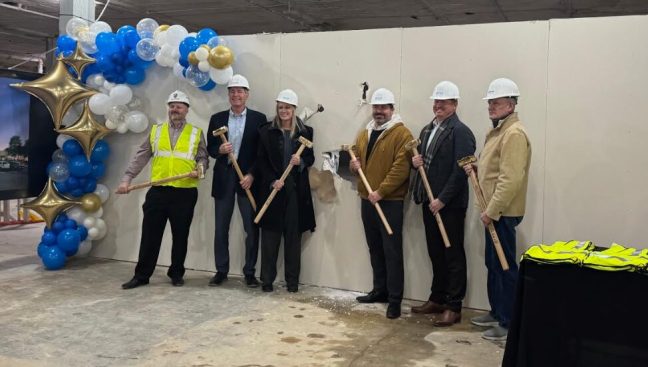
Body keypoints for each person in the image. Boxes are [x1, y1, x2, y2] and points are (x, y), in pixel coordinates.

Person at [118, 90, 209, 289]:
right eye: (172, 105)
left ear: (186, 110)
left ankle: (176, 273)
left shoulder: (196, 133)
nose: (174, 109)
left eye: (179, 105)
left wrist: (199, 170)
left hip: (185, 192)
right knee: (150, 235)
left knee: (180, 235)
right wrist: (127, 179)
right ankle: (142, 275)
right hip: (158, 191)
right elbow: (141, 156)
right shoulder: (156, 131)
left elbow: (203, 158)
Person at [463, 78, 531, 341]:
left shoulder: (514, 134)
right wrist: (478, 170)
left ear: (511, 104)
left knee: (504, 266)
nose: (491, 106)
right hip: (492, 210)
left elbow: (511, 179)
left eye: (496, 102)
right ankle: (497, 311)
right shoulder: (497, 132)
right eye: (490, 102)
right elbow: (496, 170)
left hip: (501, 212)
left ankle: (508, 321)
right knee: (493, 262)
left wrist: (493, 210)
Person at [410, 81, 476, 326]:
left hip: (449, 205)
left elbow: (461, 172)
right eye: (436, 102)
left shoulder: (461, 132)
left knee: (453, 254)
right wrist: (414, 161)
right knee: (435, 252)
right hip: (429, 202)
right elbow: (421, 162)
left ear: (455, 104)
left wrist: (442, 199)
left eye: (444, 102)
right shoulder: (428, 130)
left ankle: (454, 305)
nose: (438, 106)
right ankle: (437, 298)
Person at [350, 88, 414, 319]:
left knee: (392, 251)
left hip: (390, 202)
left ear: (391, 109)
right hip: (367, 199)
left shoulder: (402, 134)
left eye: (383, 107)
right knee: (375, 247)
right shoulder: (366, 132)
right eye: (376, 107)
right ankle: (380, 291)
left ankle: (395, 300)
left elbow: (401, 168)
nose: (379, 111)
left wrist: (381, 191)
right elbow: (355, 155)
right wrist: (353, 164)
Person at [206, 74, 268, 287]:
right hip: (224, 179)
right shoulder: (217, 118)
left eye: (240, 91)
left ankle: (249, 272)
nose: (236, 95)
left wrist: (252, 175)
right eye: (232, 91)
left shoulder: (259, 120)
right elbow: (211, 149)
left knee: (252, 229)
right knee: (220, 228)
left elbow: (262, 153)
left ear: (247, 94)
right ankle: (221, 270)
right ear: (229, 95)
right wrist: (220, 150)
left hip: (247, 181)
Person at [256, 89, 315, 293]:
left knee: (293, 237)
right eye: (281, 107)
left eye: (288, 107)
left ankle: (292, 282)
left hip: (295, 191)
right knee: (270, 236)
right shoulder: (265, 131)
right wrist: (272, 181)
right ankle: (267, 280)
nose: (284, 111)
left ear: (294, 109)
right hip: (274, 189)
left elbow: (310, 158)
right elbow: (261, 161)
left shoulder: (306, 132)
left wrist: (301, 162)